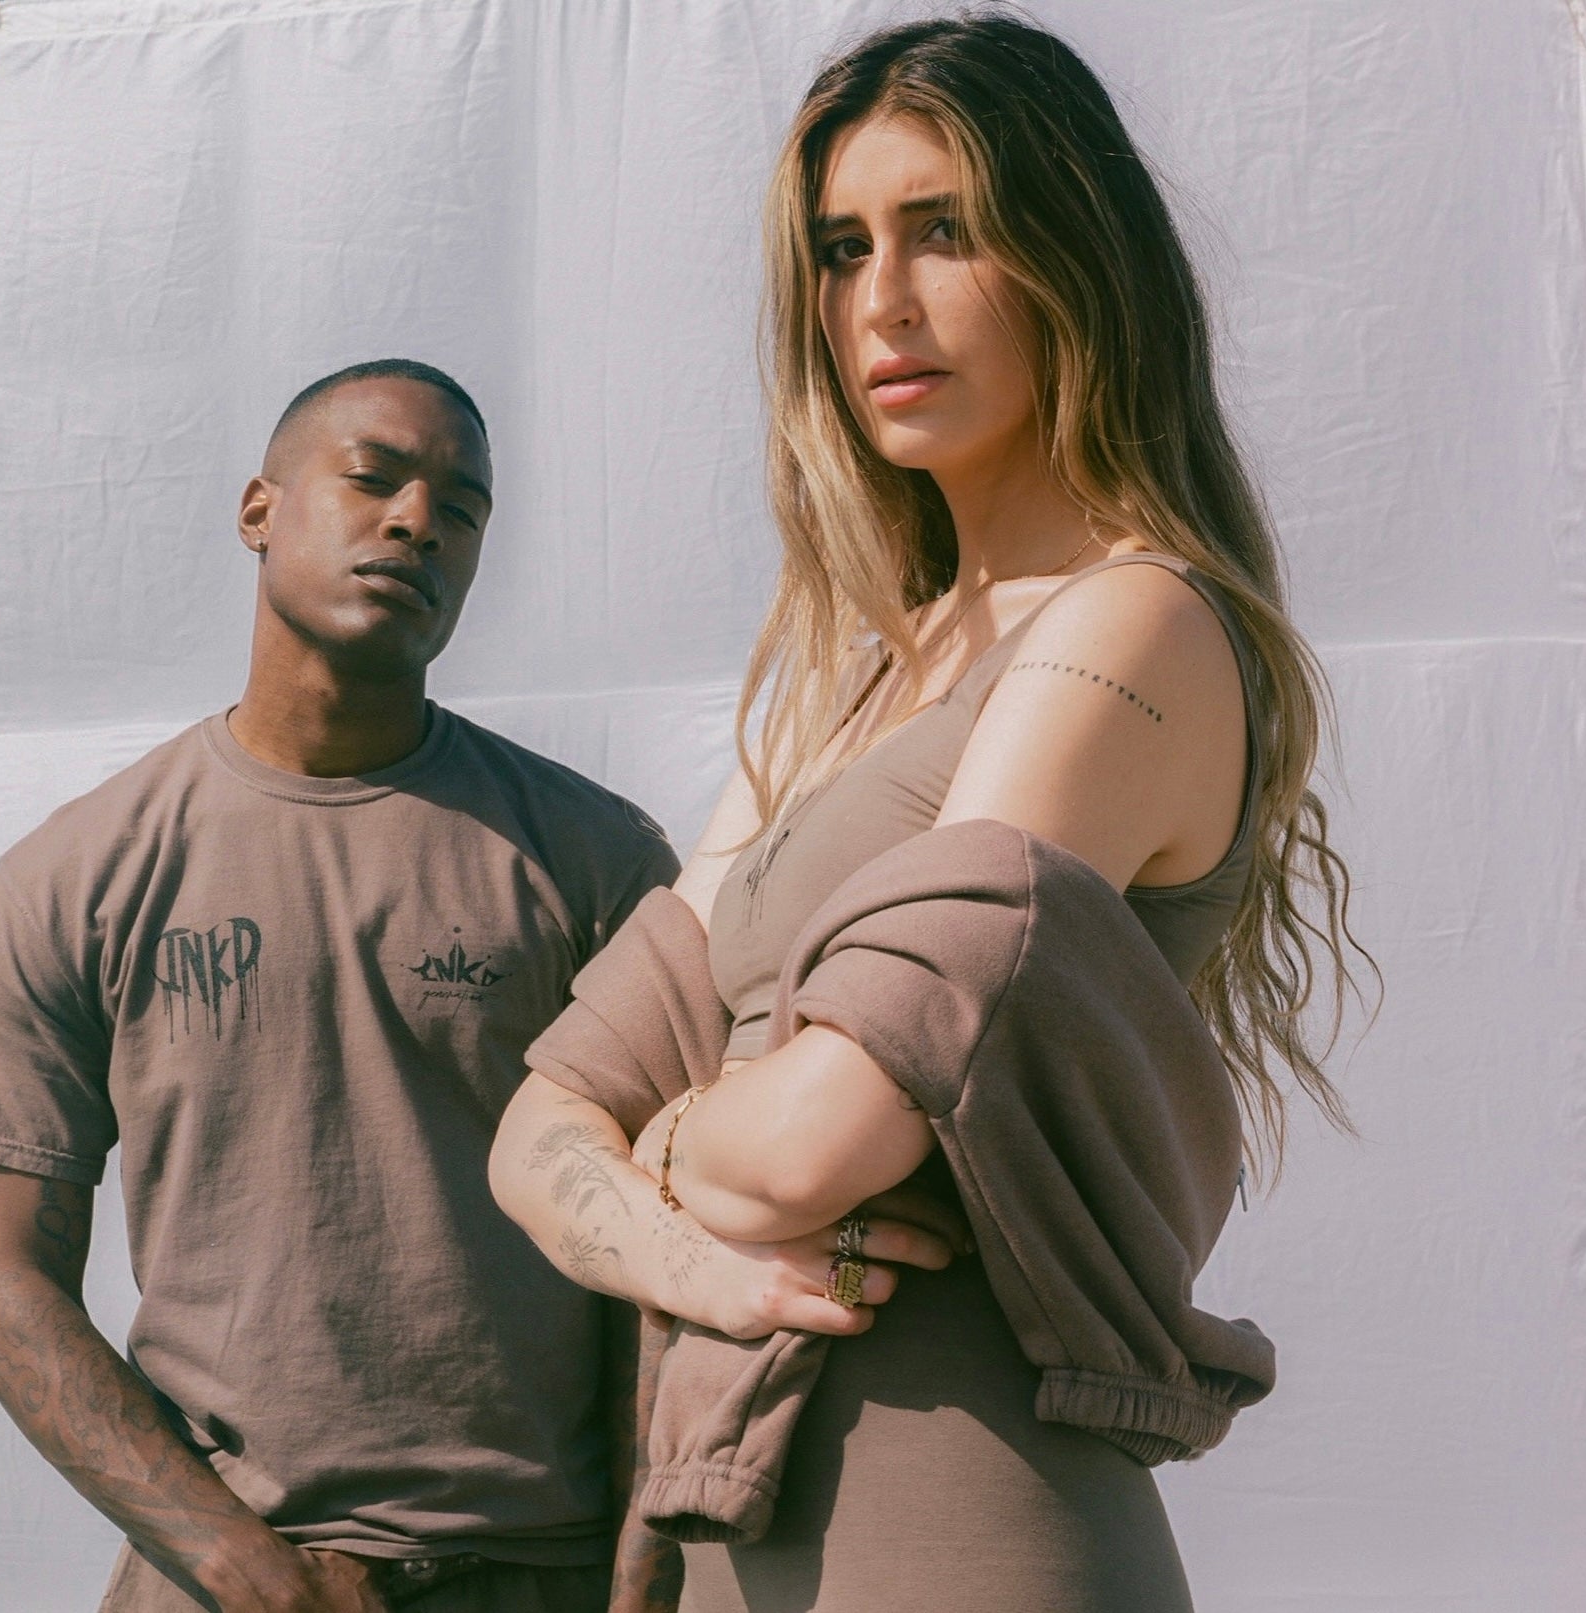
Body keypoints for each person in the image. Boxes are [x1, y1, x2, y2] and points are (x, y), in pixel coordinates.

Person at [490, 14, 1368, 1613]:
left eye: (945, 231)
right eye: (842, 250)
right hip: (737, 1546)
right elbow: (534, 1131)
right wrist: (693, 1248)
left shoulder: (1129, 626)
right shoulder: (845, 685)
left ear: (1077, 261)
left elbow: (812, 1148)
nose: (880, 300)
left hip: (969, 1535)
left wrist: (666, 1134)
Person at [0, 360, 689, 1613]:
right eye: (375, 477)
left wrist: (646, 1585)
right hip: (218, 1576)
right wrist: (246, 1569)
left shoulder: (592, 860)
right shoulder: (77, 876)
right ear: (258, 509)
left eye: (463, 510)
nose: (418, 521)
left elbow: (670, 1254)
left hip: (538, 1571)